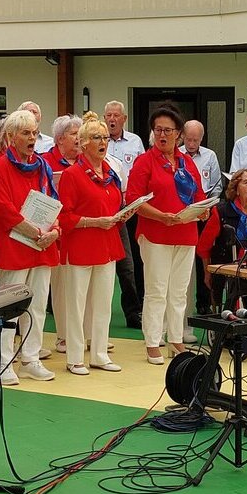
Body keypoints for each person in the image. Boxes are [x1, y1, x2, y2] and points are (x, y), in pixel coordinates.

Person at [0, 109, 60, 382]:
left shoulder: (43, 166)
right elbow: (2, 207)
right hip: (13, 244)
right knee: (10, 307)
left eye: (35, 133)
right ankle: (4, 363)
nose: (32, 138)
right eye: (26, 133)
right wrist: (34, 230)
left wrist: (55, 231)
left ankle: (31, 357)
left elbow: (54, 203)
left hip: (41, 245)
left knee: (37, 306)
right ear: (11, 137)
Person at [126, 105, 207, 364]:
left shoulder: (187, 162)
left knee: (179, 291)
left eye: (168, 131)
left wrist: (203, 211)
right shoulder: (144, 162)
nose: (162, 135)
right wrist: (161, 216)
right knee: (157, 290)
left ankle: (176, 339)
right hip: (155, 234)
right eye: (158, 130)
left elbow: (199, 195)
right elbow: (134, 200)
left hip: (186, 234)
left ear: (179, 134)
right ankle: (152, 341)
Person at [58, 114, 129, 375]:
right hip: (80, 245)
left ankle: (99, 353)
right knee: (76, 305)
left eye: (105, 137)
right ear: (83, 144)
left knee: (103, 303)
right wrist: (94, 221)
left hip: (107, 245)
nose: (103, 142)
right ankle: (75, 357)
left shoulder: (111, 173)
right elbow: (65, 217)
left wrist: (123, 214)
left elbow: (113, 208)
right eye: (97, 138)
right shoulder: (72, 175)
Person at [197, 167, 247, 310]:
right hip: (228, 267)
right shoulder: (221, 211)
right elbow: (204, 246)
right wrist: (207, 272)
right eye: (246, 182)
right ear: (236, 188)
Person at [104, 100, 145, 327]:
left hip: (128, 210)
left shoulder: (135, 142)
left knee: (130, 265)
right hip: (104, 213)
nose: (111, 119)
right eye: (108, 115)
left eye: (115, 115)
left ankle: (134, 312)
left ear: (123, 119)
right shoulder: (97, 144)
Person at [42, 115, 82, 352]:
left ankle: (84, 334)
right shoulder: (46, 161)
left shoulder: (85, 161)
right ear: (59, 139)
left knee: (81, 287)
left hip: (81, 231)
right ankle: (63, 335)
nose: (78, 138)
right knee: (61, 287)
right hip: (56, 230)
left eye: (80, 133)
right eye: (73, 133)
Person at [180, 119, 222, 319]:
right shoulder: (177, 155)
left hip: (204, 211)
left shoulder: (210, 156)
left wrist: (207, 205)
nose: (191, 144)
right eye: (188, 139)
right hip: (184, 212)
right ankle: (184, 304)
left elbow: (217, 186)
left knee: (204, 257)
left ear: (201, 139)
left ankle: (204, 302)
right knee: (186, 260)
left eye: (195, 140)